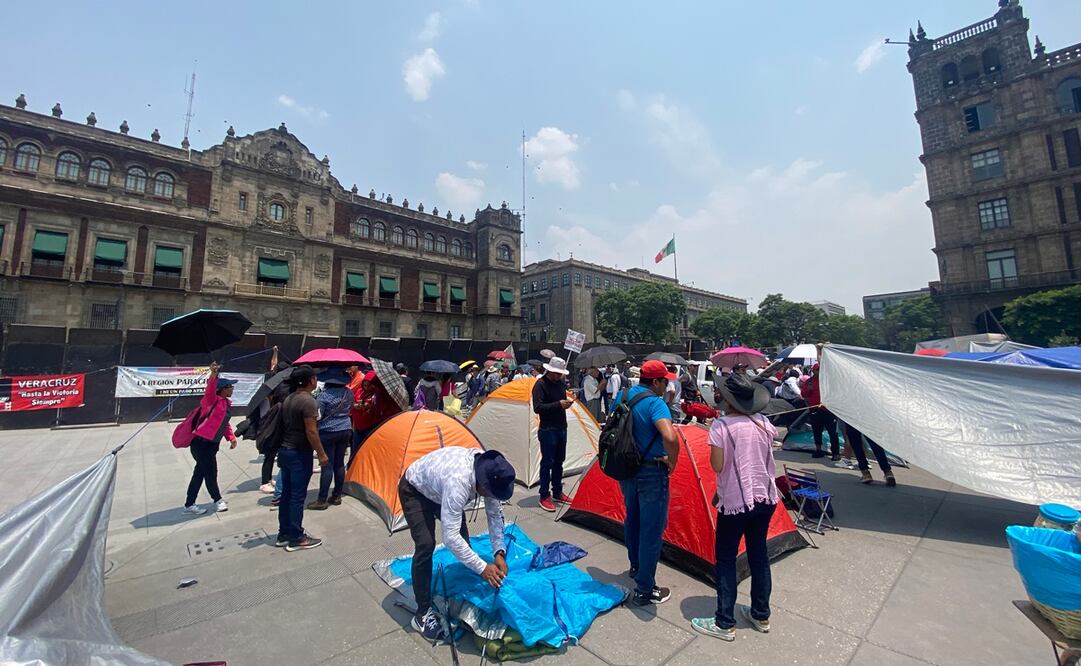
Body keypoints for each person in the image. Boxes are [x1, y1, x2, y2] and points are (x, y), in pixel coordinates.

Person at [692, 373, 778, 641]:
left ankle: (724, 621)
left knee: (727, 559)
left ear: (727, 401)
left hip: (735, 504)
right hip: (764, 498)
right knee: (758, 555)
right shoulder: (763, 422)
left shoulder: (721, 426)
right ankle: (761, 614)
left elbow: (718, 466)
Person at [399, 447, 515, 641]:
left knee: (464, 542)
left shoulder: (490, 472)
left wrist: (499, 552)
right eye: (491, 493)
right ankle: (422, 613)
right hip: (415, 489)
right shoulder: (458, 483)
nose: (492, 496)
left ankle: (464, 590)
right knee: (426, 545)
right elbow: (450, 538)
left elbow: (494, 515)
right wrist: (482, 568)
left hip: (440, 489)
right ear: (483, 485)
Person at [610, 359, 679, 605]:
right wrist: (673, 460)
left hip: (627, 469)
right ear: (656, 382)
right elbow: (669, 436)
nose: (667, 386)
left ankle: (635, 566)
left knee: (633, 518)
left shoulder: (623, 395)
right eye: (665, 381)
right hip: (651, 472)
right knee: (651, 530)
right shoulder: (655, 404)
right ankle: (645, 589)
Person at [276, 365, 330, 552]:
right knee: (298, 497)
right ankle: (297, 537)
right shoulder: (308, 402)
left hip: (285, 450)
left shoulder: (289, 398)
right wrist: (321, 454)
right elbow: (311, 431)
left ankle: (284, 533)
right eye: (314, 378)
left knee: (287, 494)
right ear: (310, 381)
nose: (316, 381)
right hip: (299, 453)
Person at [182, 363, 238, 515]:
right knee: (210, 472)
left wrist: (231, 437)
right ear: (222, 389)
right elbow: (209, 391)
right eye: (230, 387)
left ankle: (189, 504)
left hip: (212, 445)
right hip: (201, 444)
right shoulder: (211, 402)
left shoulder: (226, 404)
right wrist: (213, 375)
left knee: (200, 473)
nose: (232, 389)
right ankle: (218, 500)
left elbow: (224, 423)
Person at [308, 368, 354, 511]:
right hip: (345, 429)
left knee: (327, 465)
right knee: (339, 464)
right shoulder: (349, 393)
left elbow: (318, 415)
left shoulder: (324, 396)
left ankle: (322, 499)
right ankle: (337, 495)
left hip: (328, 431)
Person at [533, 357, 574, 512]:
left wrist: (565, 404)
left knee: (559, 461)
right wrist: (558, 405)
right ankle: (544, 495)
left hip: (561, 427)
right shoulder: (540, 385)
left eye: (560, 374)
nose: (558, 376)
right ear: (549, 370)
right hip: (548, 429)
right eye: (556, 373)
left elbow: (559, 402)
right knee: (547, 463)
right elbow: (538, 408)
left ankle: (557, 491)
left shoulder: (560, 384)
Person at [800, 363, 839, 460]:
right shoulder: (809, 381)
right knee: (817, 431)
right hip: (815, 409)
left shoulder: (829, 381)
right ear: (813, 371)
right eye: (817, 369)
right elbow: (803, 394)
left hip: (829, 410)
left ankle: (836, 453)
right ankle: (818, 450)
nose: (819, 371)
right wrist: (809, 390)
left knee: (833, 432)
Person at [843, 421, 897, 486]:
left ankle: (865, 472)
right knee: (875, 444)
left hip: (851, 417)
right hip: (867, 418)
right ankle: (888, 472)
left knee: (856, 444)